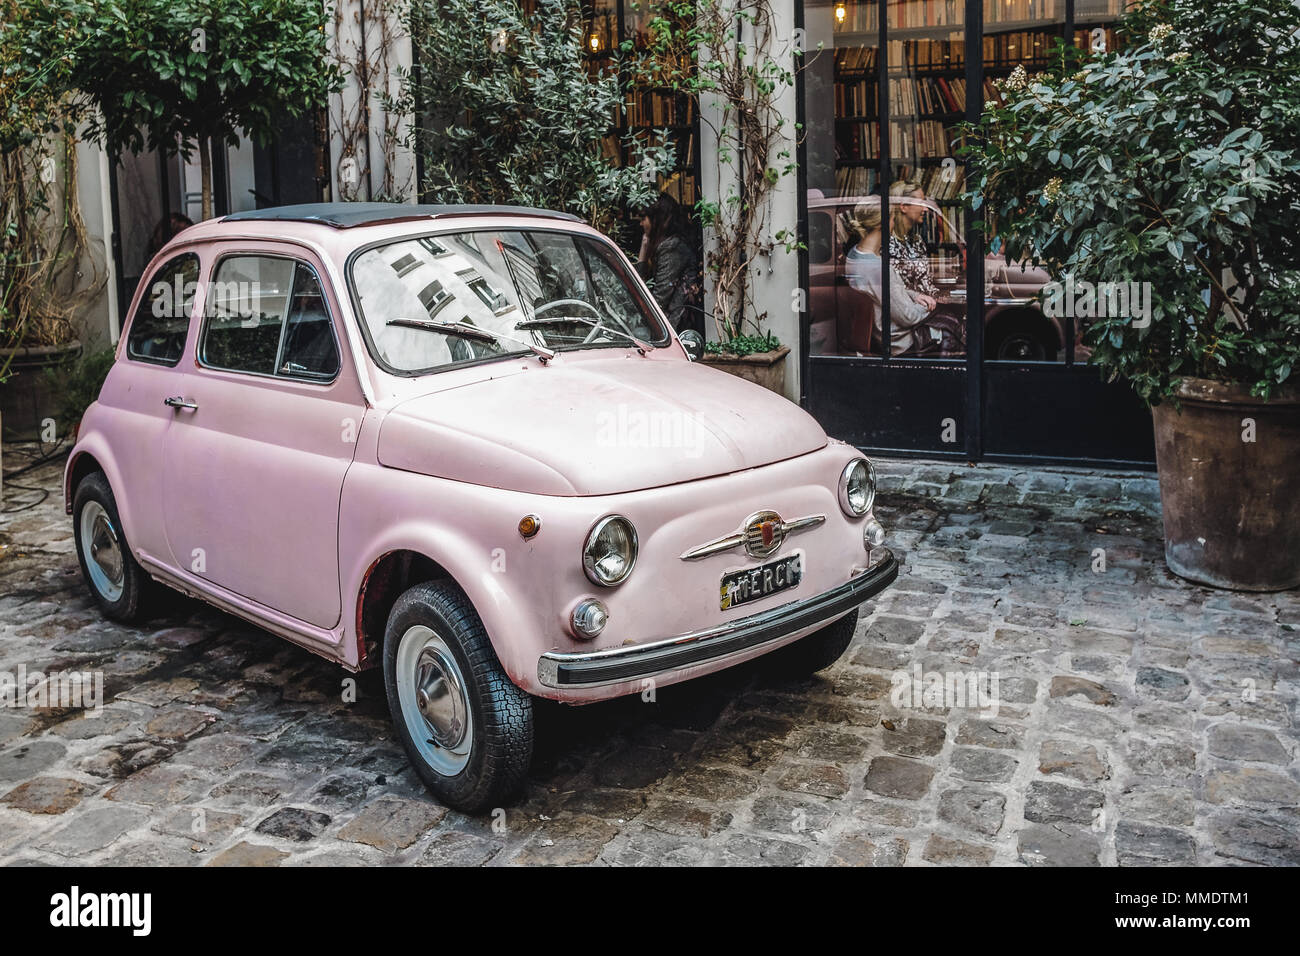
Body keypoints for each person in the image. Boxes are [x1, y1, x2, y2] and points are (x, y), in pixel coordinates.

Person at [844, 203, 943, 356]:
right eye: (892, 219)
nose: (894, 224)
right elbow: (908, 317)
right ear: (881, 224)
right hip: (899, 344)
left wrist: (915, 296)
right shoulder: (878, 268)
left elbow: (887, 291)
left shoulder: (854, 254)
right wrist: (930, 306)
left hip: (881, 337)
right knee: (953, 330)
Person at [635, 192, 701, 333]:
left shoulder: (672, 247)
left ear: (656, 218)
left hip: (674, 327)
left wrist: (643, 250)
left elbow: (659, 299)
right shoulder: (671, 244)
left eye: (643, 218)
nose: (640, 223)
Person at [888, 179, 941, 300]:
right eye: (921, 203)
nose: (926, 209)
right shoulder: (887, 243)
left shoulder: (917, 240)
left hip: (926, 307)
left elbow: (926, 283)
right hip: (908, 312)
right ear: (904, 207)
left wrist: (942, 297)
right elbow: (895, 291)